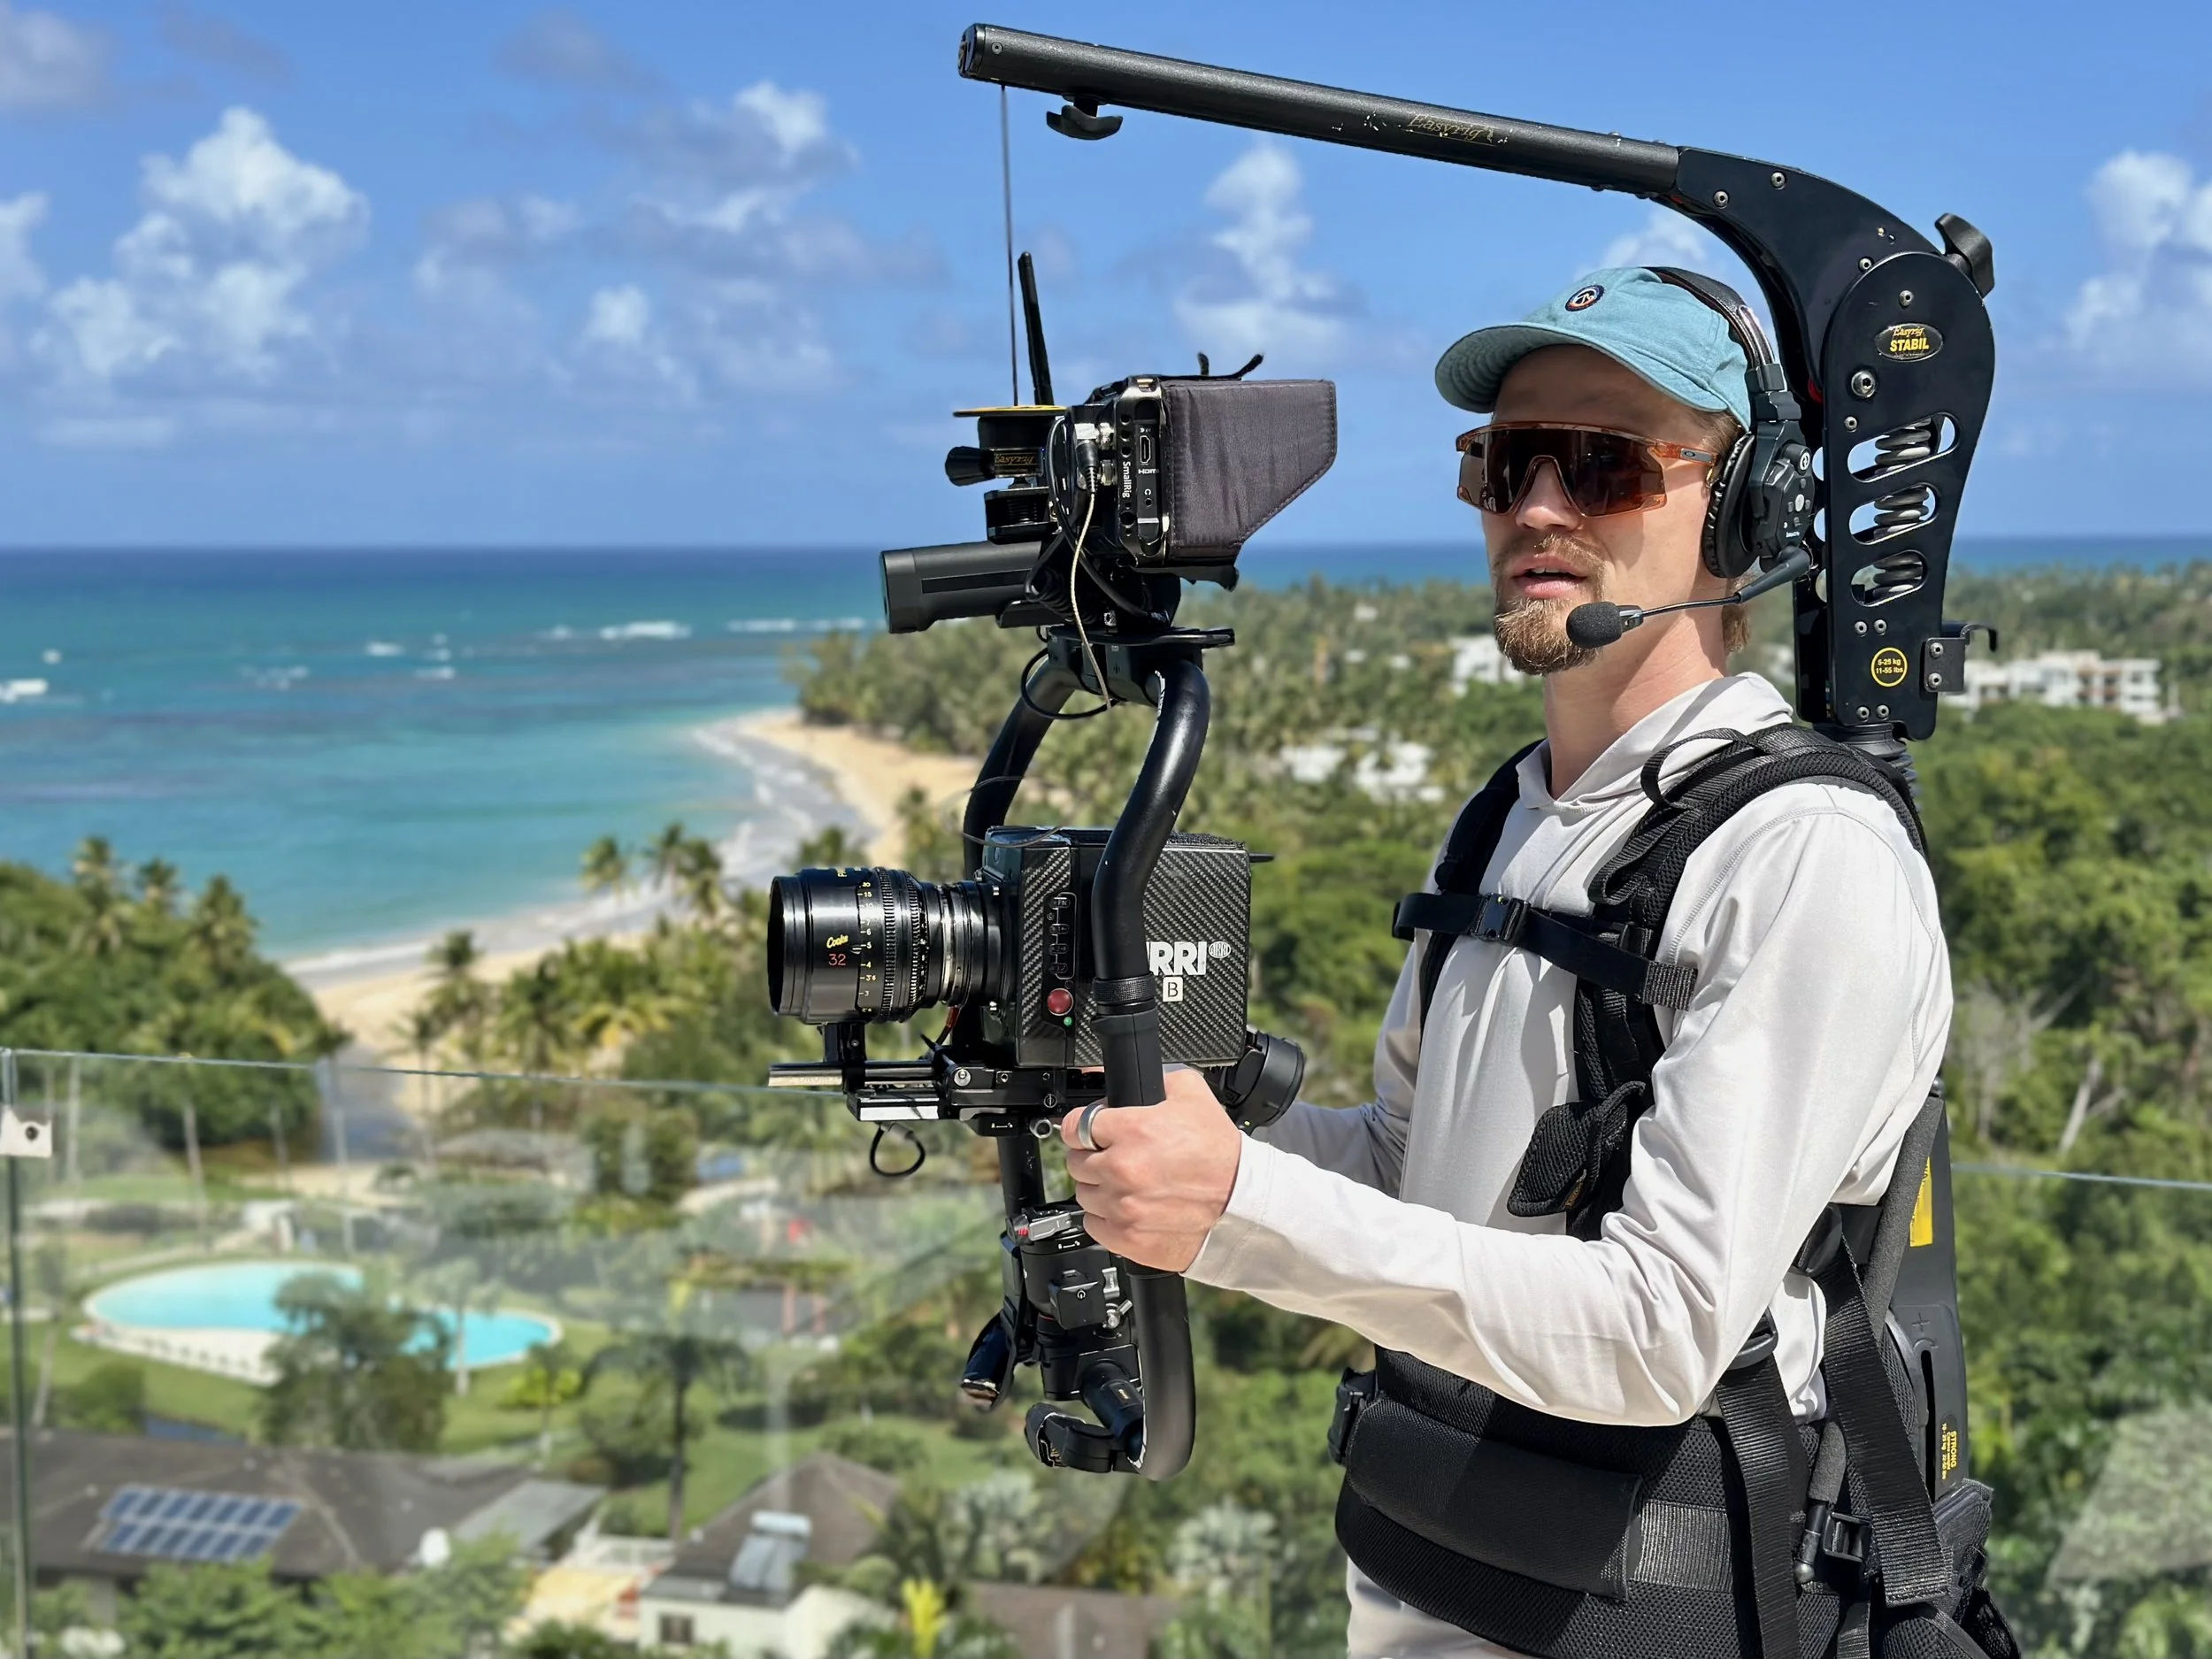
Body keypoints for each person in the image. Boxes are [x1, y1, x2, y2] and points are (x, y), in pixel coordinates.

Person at [1057, 267, 1955, 1657]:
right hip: (1435, 1579)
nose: (1537, 507)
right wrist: (1187, 1123)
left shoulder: (1804, 856)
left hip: (1653, 1610)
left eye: (1602, 466)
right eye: (1504, 462)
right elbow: (1417, 1169)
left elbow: (1661, 1331)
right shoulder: (1506, 819)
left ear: (1745, 508)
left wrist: (1236, 1208)